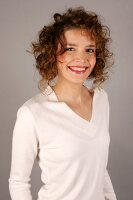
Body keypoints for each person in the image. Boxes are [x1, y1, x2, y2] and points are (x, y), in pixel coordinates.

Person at [8, 7, 117, 200]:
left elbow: (99, 169)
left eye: (89, 50)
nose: (81, 59)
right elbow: (18, 182)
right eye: (70, 49)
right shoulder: (32, 113)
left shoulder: (102, 100)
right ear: (53, 54)